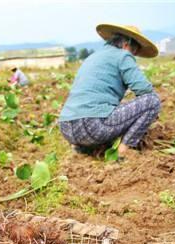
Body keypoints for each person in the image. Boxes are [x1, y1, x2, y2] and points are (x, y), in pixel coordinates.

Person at [58, 24, 161, 159]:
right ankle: (124, 151)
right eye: (134, 52)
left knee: (107, 107)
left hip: (66, 127)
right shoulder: (123, 55)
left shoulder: (93, 57)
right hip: (92, 126)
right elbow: (144, 90)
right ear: (126, 45)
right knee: (152, 101)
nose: (133, 56)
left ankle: (81, 148)